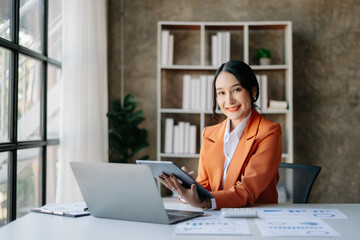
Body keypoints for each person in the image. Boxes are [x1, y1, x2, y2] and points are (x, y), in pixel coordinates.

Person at [159, 60, 282, 210]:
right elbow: (205, 186)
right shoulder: (209, 134)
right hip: (217, 218)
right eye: (221, 93)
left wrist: (205, 202)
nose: (229, 100)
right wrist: (188, 189)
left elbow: (247, 191)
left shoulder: (269, 132)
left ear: (253, 91)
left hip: (255, 217)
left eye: (236, 90)